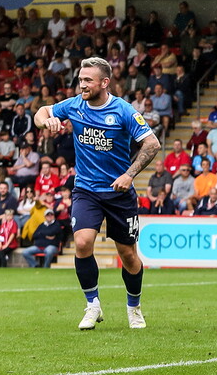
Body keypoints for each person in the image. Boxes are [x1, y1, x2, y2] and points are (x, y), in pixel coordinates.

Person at [33, 57, 161, 330]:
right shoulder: (74, 105)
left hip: (118, 193)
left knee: (128, 255)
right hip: (86, 190)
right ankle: (93, 305)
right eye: (80, 80)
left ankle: (134, 307)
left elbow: (152, 143)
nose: (82, 85)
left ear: (105, 82)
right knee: (82, 243)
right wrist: (48, 123)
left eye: (88, 80)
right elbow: (41, 112)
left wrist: (129, 174)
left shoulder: (124, 111)